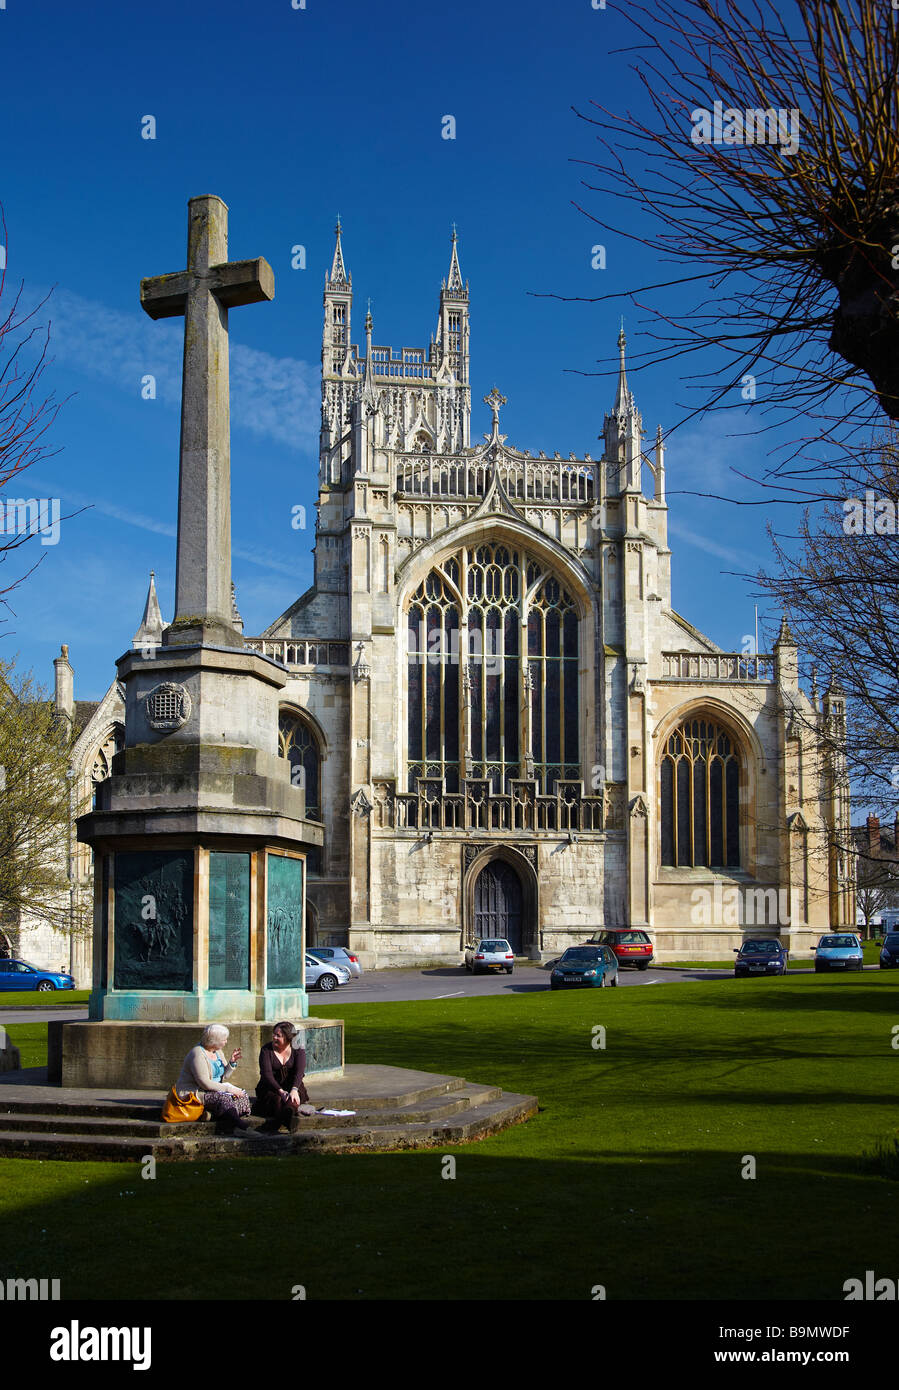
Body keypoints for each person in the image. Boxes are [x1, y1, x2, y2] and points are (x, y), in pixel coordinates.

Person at [175, 1024, 255, 1133]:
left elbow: (224, 1076)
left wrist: (232, 1063)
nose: (226, 1042)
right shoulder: (197, 1054)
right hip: (198, 1093)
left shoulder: (217, 1051)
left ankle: (212, 1115)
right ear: (214, 1040)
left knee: (242, 1095)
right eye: (224, 1039)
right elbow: (204, 1083)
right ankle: (241, 1127)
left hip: (215, 1090)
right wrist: (228, 1089)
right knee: (225, 1100)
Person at [255, 1021, 310, 1132]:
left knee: (293, 1098)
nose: (274, 1037)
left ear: (288, 1038)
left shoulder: (298, 1049)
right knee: (277, 1100)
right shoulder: (266, 1050)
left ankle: (284, 1118)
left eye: (278, 1036)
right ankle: (287, 1120)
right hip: (270, 1086)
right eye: (274, 1034)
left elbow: (299, 1072)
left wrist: (294, 1089)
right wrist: (280, 1090)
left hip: (292, 1085)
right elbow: (267, 1074)